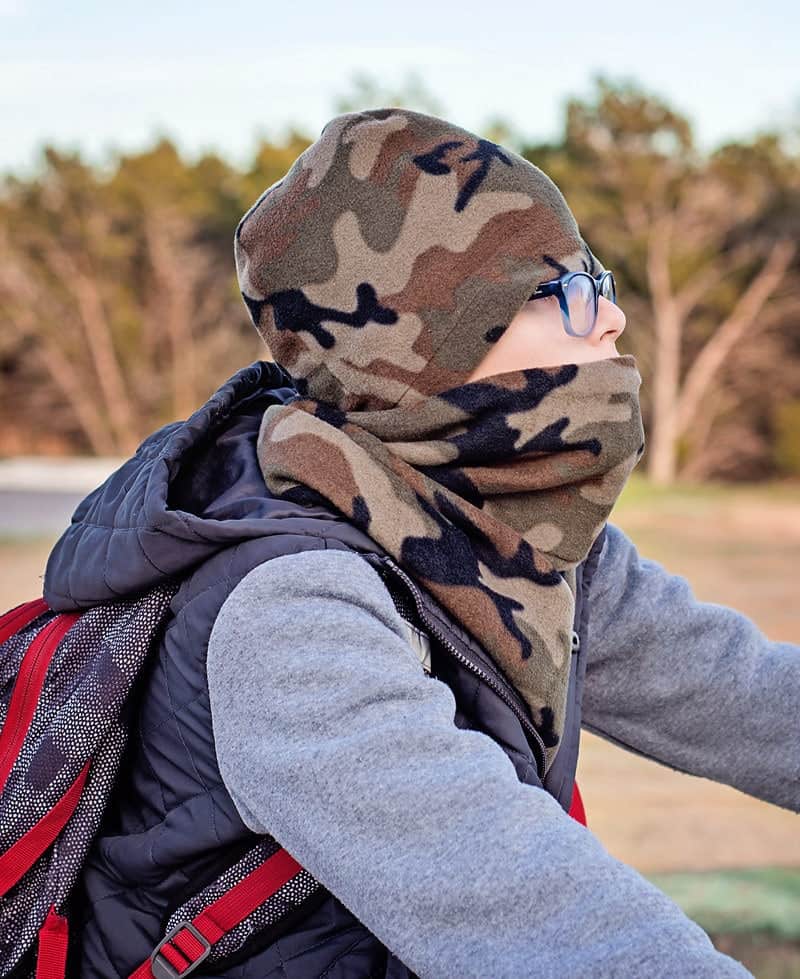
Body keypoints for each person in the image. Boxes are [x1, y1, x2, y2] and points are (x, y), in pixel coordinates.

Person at [42, 108, 798, 978]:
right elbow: (524, 906)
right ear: (435, 346)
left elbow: (740, 696)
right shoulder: (292, 611)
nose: (613, 318)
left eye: (601, 279)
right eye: (569, 290)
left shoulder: (520, 532)